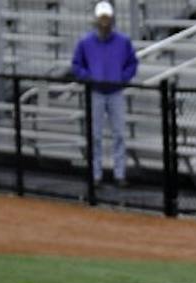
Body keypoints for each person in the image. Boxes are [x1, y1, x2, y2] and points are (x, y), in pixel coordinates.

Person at [71, 0, 139, 188]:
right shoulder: (85, 42)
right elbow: (76, 65)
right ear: (96, 20)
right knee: (96, 136)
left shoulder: (123, 41)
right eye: (102, 18)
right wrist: (89, 77)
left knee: (119, 134)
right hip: (96, 92)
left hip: (115, 91)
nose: (104, 22)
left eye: (107, 18)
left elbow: (132, 63)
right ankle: (96, 174)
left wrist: (122, 78)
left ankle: (119, 174)